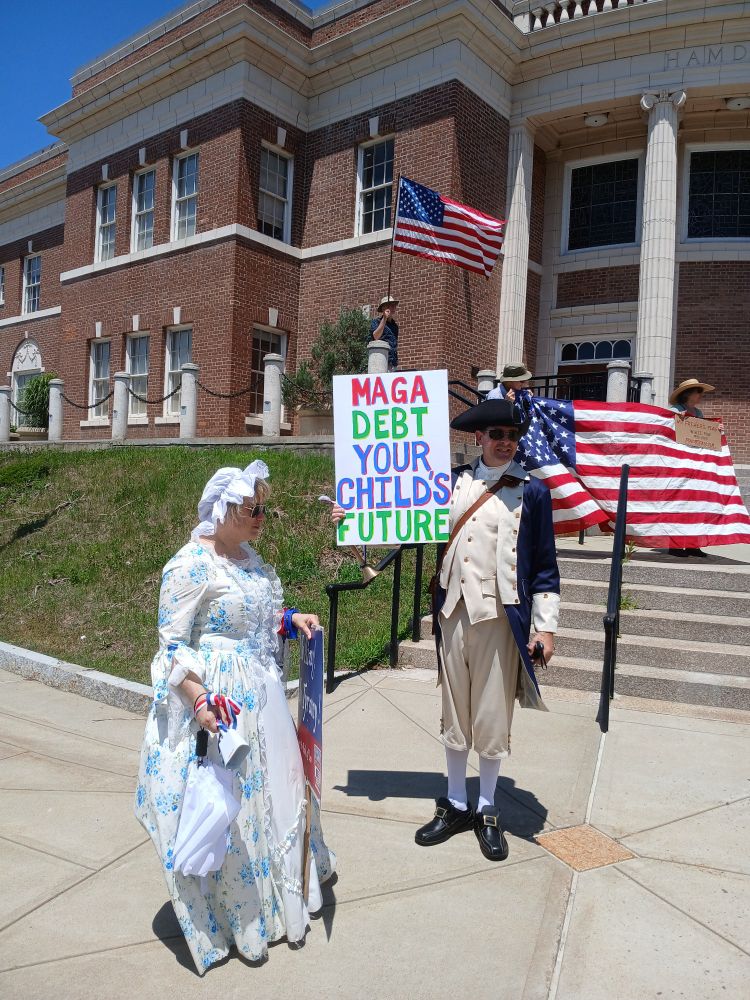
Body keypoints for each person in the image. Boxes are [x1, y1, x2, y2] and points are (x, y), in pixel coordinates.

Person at [330, 398, 559, 862]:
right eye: (496, 435)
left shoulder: (533, 492)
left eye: (512, 436)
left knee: (492, 716)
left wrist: (545, 628)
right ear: (479, 438)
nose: (505, 443)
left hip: (500, 617)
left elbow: (545, 569)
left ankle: (488, 807)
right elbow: (394, 510)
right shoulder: (449, 483)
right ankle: (456, 802)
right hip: (453, 612)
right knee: (454, 712)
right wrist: (351, 514)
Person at [135, 460, 334, 974]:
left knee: (276, 797)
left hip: (262, 696)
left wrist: (290, 621)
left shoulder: (250, 560)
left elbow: (259, 620)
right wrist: (199, 700)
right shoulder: (189, 565)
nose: (261, 516)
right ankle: (235, 922)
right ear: (222, 509)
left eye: (264, 507)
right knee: (232, 808)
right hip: (221, 704)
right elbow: (172, 645)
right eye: (252, 508)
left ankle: (279, 905)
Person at [668, 378, 716, 557]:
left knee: (695, 505)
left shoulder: (699, 413)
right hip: (678, 464)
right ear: (689, 393)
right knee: (679, 505)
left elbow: (703, 438)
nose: (701, 396)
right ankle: (675, 545)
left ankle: (692, 544)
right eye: (699, 392)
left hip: (695, 465)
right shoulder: (673, 412)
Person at [370, 294, 399, 370]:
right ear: (384, 308)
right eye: (390, 305)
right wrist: (384, 319)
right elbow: (376, 336)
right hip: (380, 360)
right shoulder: (376, 322)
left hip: (393, 363)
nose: (393, 307)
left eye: (394, 305)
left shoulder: (395, 326)